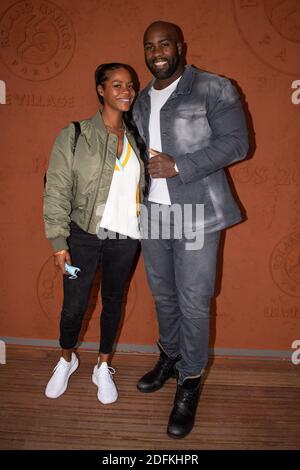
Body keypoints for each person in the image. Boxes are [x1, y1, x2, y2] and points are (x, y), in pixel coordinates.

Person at [133, 21, 249, 438]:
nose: (157, 52)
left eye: (164, 44)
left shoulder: (213, 87)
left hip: (196, 214)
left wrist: (180, 165)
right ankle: (170, 356)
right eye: (149, 46)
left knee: (194, 301)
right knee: (163, 294)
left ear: (180, 46)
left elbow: (237, 143)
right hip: (153, 213)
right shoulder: (142, 98)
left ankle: (190, 381)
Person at [43, 63, 145, 404]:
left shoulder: (136, 138)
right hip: (82, 235)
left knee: (114, 302)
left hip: (126, 238)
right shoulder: (74, 135)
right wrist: (59, 243)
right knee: (74, 305)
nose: (126, 91)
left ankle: (103, 366)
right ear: (101, 90)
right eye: (117, 85)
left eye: (130, 85)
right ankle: (66, 359)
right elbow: (56, 189)